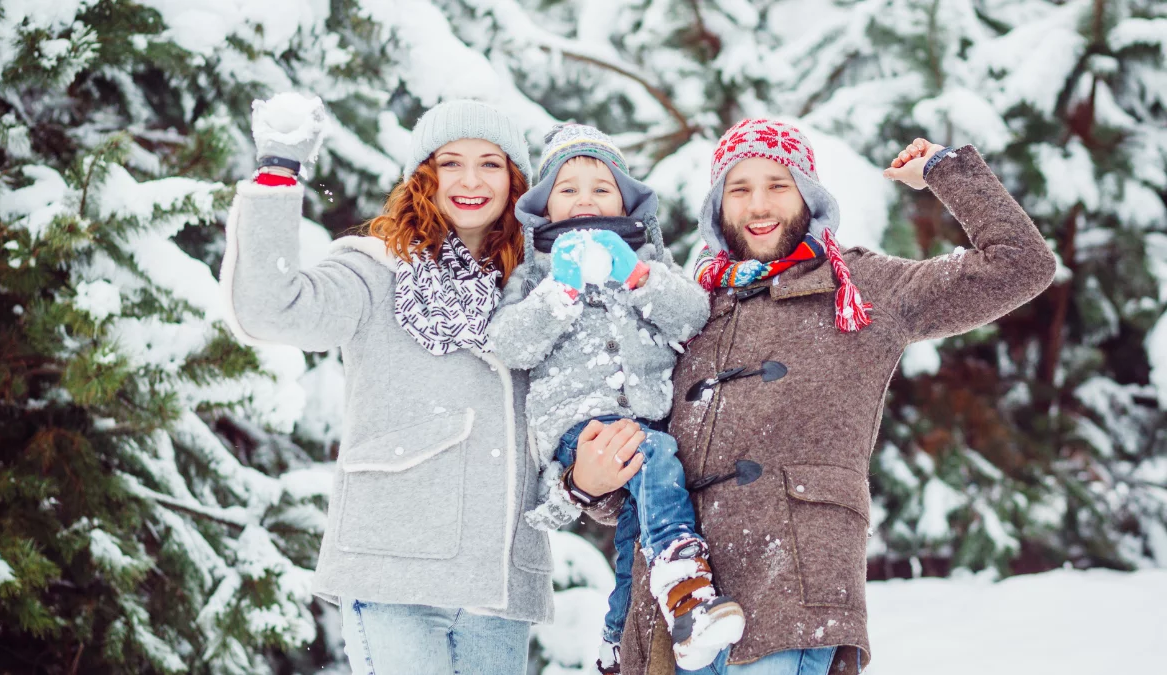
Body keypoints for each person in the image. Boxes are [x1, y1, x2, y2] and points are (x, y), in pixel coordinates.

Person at [566, 120, 1057, 675]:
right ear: (716, 207)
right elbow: (643, 472)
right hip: (676, 622)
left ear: (808, 192)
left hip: (793, 598)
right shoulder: (687, 306)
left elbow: (1021, 265)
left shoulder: (865, 288)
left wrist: (946, 171)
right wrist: (588, 481)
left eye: (778, 184)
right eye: (739, 188)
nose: (758, 205)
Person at [219, 93, 554, 675]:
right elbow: (272, 308)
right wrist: (279, 170)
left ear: (515, 180)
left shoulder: (541, 288)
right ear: (423, 176)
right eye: (450, 162)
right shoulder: (375, 270)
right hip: (394, 571)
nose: (470, 180)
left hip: (498, 587)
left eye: (490, 164)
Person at [488, 124, 743, 673]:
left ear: (627, 201)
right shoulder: (534, 271)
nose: (585, 199)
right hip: (581, 427)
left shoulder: (648, 257)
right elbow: (511, 344)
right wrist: (561, 290)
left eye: (601, 188)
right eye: (568, 188)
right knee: (653, 456)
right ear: (545, 207)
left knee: (633, 546)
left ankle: (614, 644)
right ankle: (686, 586)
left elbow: (691, 315)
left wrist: (639, 277)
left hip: (649, 418)